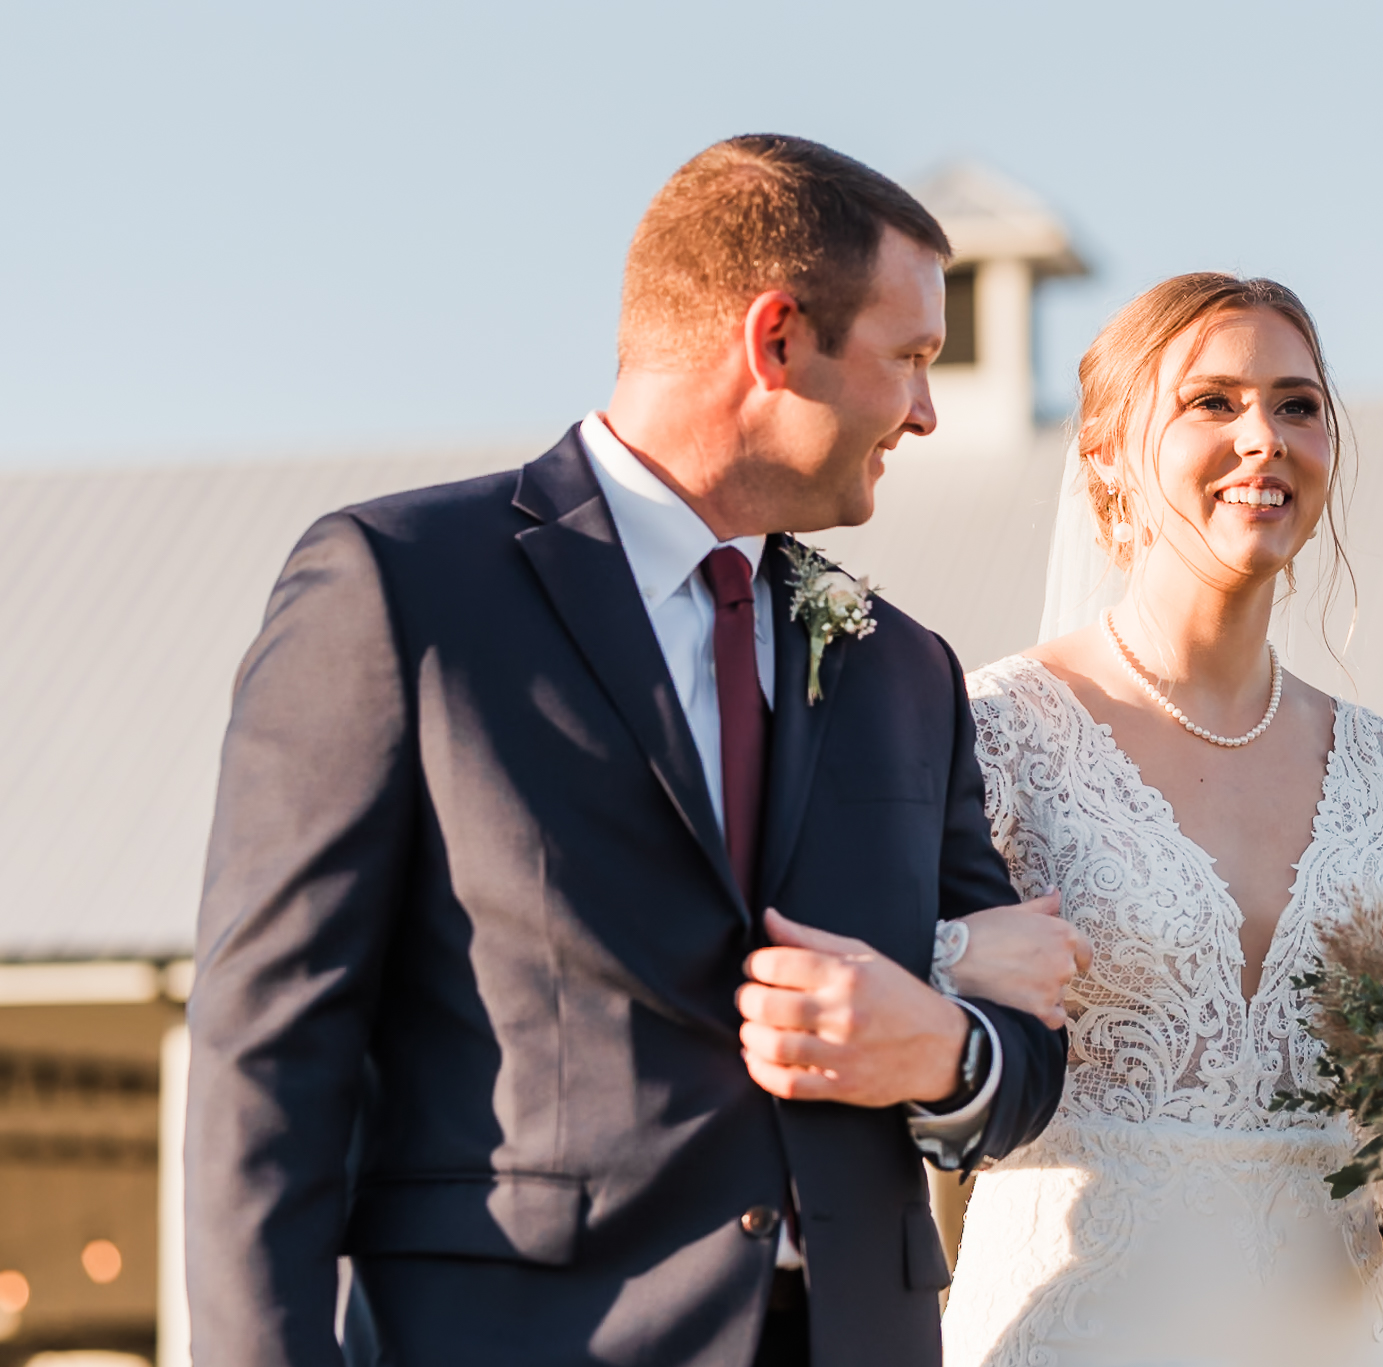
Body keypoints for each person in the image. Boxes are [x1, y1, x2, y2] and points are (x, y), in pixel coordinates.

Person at [183, 135, 1077, 1367]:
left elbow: (1021, 1053)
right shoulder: (401, 590)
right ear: (776, 339)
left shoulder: (903, 669)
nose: (926, 408)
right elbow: (271, 1045)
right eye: (910, 357)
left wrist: (943, 1048)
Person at [937, 274, 1383, 1366]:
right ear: (1106, 455)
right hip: (1075, 1332)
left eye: (1296, 404)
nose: (1263, 436)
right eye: (1212, 402)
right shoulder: (995, 732)